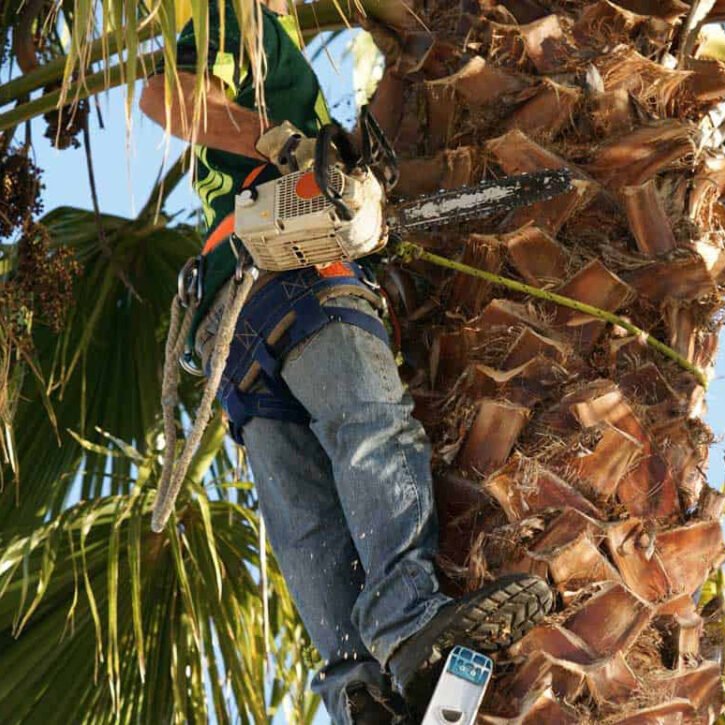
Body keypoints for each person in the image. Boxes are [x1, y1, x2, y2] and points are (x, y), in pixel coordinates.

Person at [139, 2, 553, 722]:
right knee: (372, 426)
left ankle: (359, 691)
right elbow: (163, 96)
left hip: (229, 325)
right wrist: (285, 143)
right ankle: (408, 622)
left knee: (305, 512)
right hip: (293, 274)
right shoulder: (241, 19)